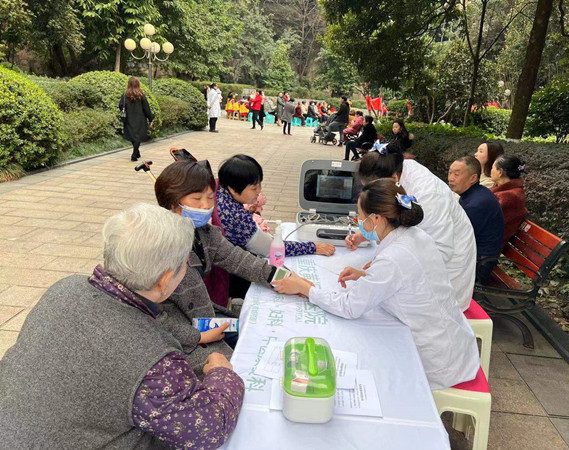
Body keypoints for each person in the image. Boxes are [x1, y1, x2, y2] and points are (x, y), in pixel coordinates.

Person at [0, 203, 245, 449]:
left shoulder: (65, 288)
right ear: (164, 281)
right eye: (184, 264)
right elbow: (209, 429)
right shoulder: (153, 360)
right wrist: (221, 374)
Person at [272, 179, 479, 390]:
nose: (359, 222)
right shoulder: (416, 235)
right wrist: (366, 275)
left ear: (377, 218)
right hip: (455, 341)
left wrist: (304, 288)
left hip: (436, 360)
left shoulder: (394, 257)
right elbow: (408, 278)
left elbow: (349, 307)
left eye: (360, 217)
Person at [155, 160, 286, 334]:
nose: (206, 205)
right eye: (197, 199)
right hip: (180, 332)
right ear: (172, 202)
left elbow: (239, 260)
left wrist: (284, 277)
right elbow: (147, 310)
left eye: (210, 198)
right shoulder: (158, 245)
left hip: (203, 320)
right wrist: (195, 337)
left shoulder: (205, 234)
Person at [352, 143, 477, 311]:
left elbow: (440, 252)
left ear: (394, 179)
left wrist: (386, 266)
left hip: (447, 272)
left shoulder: (429, 195)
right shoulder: (394, 167)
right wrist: (367, 232)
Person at [217, 154, 336, 259]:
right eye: (254, 188)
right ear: (232, 189)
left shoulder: (219, 191)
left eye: (259, 184)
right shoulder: (236, 216)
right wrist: (312, 247)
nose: (259, 191)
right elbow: (271, 248)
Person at [448, 155, 504, 283]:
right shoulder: (474, 194)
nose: (451, 178)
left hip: (480, 262)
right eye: (450, 173)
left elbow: (456, 237)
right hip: (473, 254)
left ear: (473, 178)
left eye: (456, 174)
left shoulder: (476, 204)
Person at [490, 155, 528, 247]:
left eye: (492, 168)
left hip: (486, 247)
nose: (491, 171)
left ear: (500, 172)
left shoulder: (509, 197)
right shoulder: (507, 192)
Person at [119, 76, 154, 162]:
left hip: (129, 119)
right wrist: (150, 119)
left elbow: (120, 106)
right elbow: (146, 108)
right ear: (137, 84)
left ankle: (137, 152)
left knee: (132, 136)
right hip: (140, 119)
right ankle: (134, 155)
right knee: (137, 137)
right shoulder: (141, 95)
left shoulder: (125, 94)